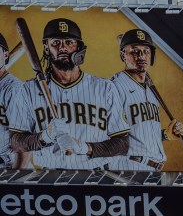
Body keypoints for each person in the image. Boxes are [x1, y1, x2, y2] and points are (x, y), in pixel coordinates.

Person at [8, 18, 129, 170]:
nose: (62, 48)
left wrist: (84, 147)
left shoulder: (105, 88)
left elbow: (123, 143)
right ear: (46, 48)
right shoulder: (28, 90)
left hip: (95, 176)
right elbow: (15, 141)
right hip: (48, 177)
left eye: (69, 42)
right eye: (56, 43)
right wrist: (44, 137)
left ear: (79, 47)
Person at [108, 29, 183, 171]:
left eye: (146, 51)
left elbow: (141, 131)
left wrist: (166, 135)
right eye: (134, 51)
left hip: (154, 168)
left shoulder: (151, 91)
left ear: (152, 56)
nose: (141, 56)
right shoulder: (114, 87)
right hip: (128, 166)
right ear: (123, 55)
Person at [0, 33, 22, 169]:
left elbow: (25, 143)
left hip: (8, 166)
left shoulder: (14, 89)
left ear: (6, 55)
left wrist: (16, 179)